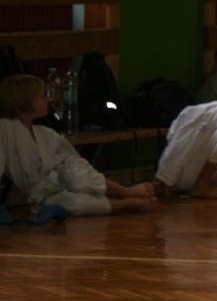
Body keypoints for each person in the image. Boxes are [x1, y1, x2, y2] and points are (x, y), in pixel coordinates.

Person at [0, 75, 156, 215]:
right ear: (23, 100)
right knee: (77, 203)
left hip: (64, 173)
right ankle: (128, 203)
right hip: (43, 194)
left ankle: (125, 192)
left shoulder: (44, 132)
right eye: (42, 96)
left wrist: (73, 175)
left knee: (80, 177)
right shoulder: (5, 128)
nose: (47, 100)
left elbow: (71, 159)